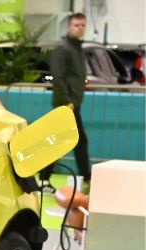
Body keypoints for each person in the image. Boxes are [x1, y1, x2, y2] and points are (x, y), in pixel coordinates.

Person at [46, 12, 91, 187]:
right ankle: (85, 176)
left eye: (82, 25)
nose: (80, 28)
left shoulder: (76, 48)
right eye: (76, 25)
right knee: (76, 140)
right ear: (69, 27)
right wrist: (67, 101)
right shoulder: (63, 48)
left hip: (72, 103)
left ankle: (44, 177)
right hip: (66, 103)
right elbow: (58, 77)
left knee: (58, 141)